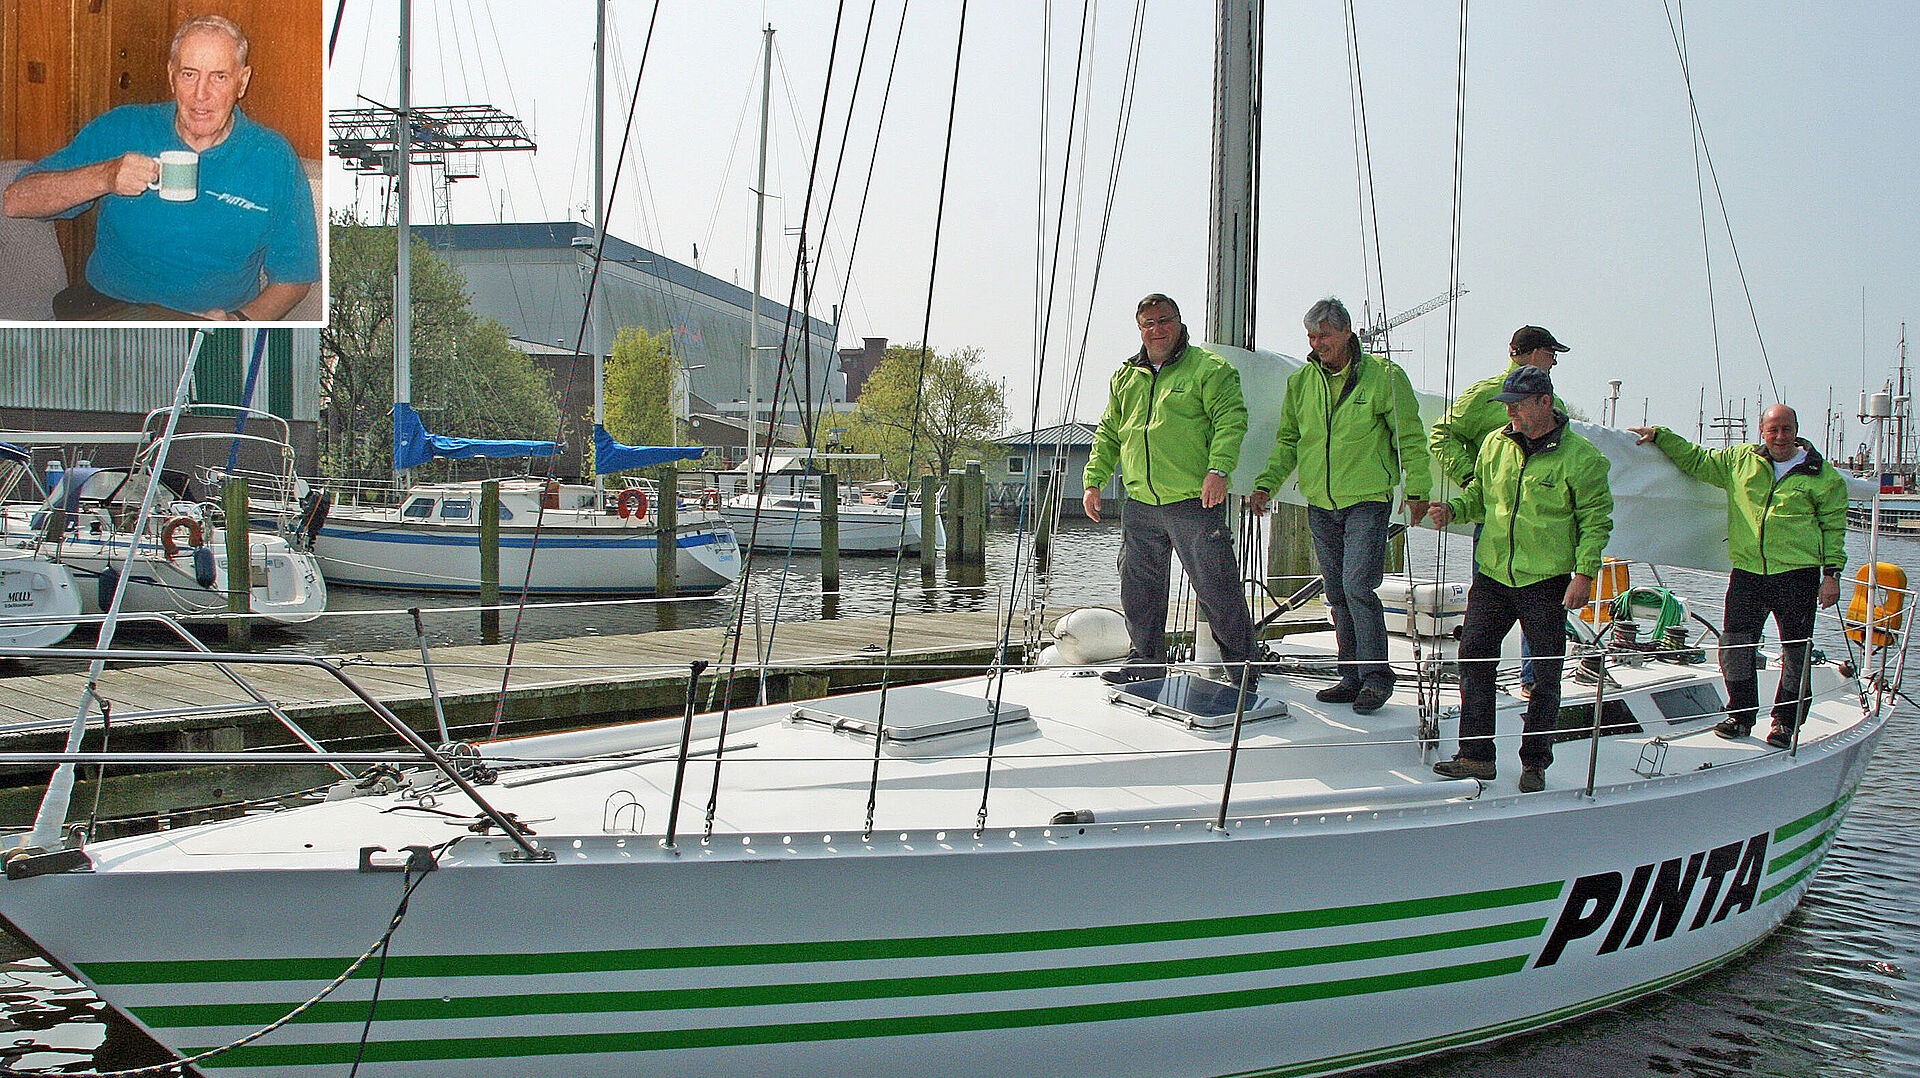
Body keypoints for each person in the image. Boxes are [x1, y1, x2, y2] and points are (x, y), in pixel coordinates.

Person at [2, 14, 317, 321]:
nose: (200, 94)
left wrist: (238, 321)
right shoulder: (123, 128)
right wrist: (105, 176)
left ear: (242, 82)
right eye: (189, 74)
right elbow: (16, 200)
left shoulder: (273, 157)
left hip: (208, 324)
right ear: (171, 76)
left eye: (219, 76)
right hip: (109, 309)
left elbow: (294, 277)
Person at [1428, 365, 1613, 792]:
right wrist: (1455, 510)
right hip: (1492, 574)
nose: (1509, 412)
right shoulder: (1495, 444)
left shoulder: (1583, 459)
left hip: (1545, 580)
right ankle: (1476, 755)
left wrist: (1584, 574)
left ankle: (1535, 762)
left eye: (1516, 404)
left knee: (1546, 674)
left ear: (1545, 403)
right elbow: (1481, 496)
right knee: (1474, 661)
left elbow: (1595, 523)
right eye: (1507, 405)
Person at [1249, 298, 1431, 714]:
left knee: (1357, 586)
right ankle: (1351, 675)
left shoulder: (1385, 377)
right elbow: (1289, 442)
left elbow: (1411, 440)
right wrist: (1266, 485)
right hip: (1320, 501)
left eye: (1324, 336)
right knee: (1336, 591)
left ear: (1348, 333)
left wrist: (1417, 491)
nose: (1317, 344)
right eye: (1311, 337)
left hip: (1367, 498)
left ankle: (1376, 676)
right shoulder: (1302, 383)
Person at [1628, 405, 1846, 747]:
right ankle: (1741, 715)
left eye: (1786, 429)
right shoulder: (1740, 461)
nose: (1779, 437)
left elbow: (1834, 528)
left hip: (1797, 575)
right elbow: (1697, 461)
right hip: (1748, 573)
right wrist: (1661, 436)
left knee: (1795, 653)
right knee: (1734, 647)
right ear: (1762, 431)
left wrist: (1832, 574)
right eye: (1773, 429)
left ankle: (1785, 722)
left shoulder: (1822, 476)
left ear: (1796, 430)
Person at [1083, 293, 1256, 684]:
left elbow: (1231, 420)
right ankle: (1146, 662)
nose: (1157, 330)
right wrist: (1093, 480)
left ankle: (1243, 668)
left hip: (1192, 501)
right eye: (1149, 324)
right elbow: (1110, 432)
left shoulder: (1210, 369)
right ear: (1139, 329)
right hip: (1140, 502)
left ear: (1178, 322)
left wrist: (1219, 468)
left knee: (1216, 587)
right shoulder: (1126, 377)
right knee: (1138, 589)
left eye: (1164, 321)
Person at [1429, 325, 1572, 698]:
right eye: (1548, 351)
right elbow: (1442, 433)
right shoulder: (1484, 396)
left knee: (1539, 606)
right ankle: (1478, 687)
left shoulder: (1555, 407)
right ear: (1521, 352)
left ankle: (1532, 679)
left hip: (1542, 532)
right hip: (1494, 520)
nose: (1555, 359)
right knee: (1486, 611)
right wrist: (1470, 478)